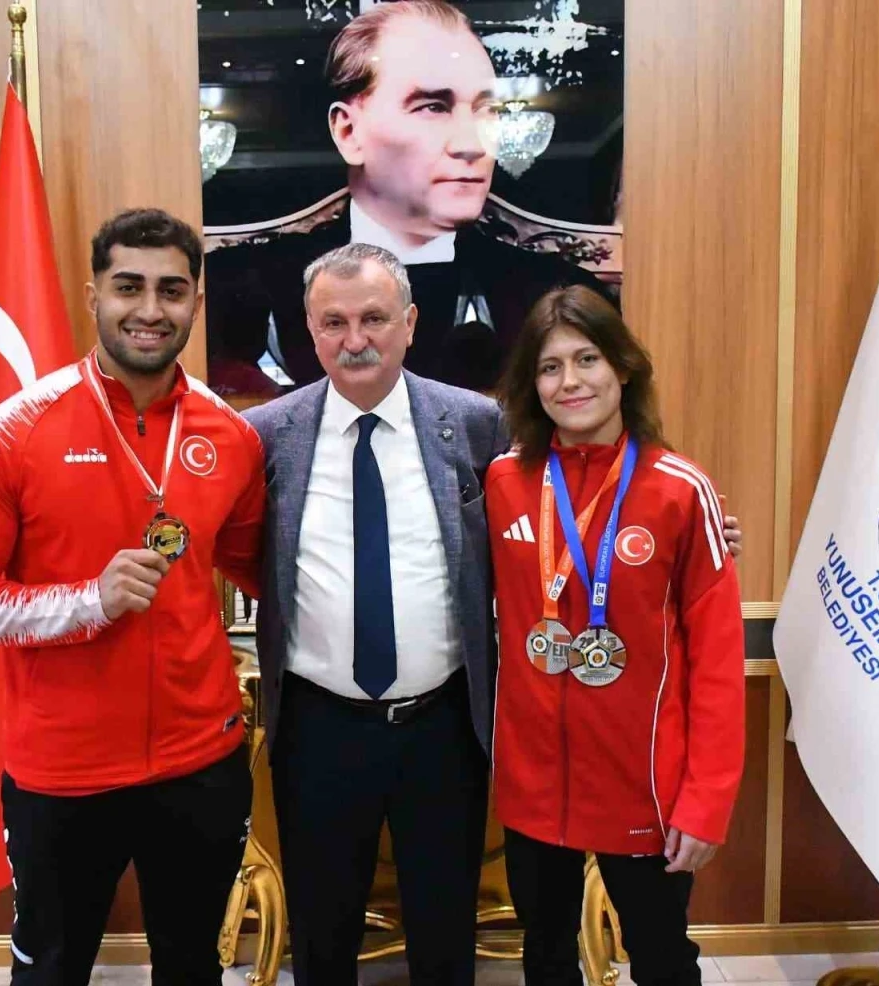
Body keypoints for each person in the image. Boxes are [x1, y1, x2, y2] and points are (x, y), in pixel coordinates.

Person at [0, 208, 266, 986]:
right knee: (52, 969)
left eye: (171, 290)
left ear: (196, 302)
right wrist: (88, 602)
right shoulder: (11, 431)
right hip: (63, 771)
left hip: (202, 759)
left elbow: (261, 574)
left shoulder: (232, 436)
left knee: (193, 966)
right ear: (93, 295)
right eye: (128, 286)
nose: (150, 309)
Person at [243, 242, 505, 986]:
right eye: (333, 322)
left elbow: (548, 518)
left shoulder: (476, 422)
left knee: (444, 934)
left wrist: (686, 531)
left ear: (410, 324)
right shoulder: (267, 433)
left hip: (443, 726)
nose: (354, 339)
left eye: (374, 319)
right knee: (322, 937)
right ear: (309, 330)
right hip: (318, 727)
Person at [484, 285, 746, 986]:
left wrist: (707, 800)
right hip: (534, 784)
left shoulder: (680, 490)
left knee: (661, 959)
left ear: (623, 368)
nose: (569, 382)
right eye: (549, 367)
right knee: (545, 956)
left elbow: (718, 661)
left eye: (587, 359)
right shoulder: (504, 482)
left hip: (644, 787)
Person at [206, 0, 607, 396]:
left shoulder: (549, 293)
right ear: (349, 132)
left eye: (486, 109)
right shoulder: (245, 287)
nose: (472, 144)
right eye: (432, 107)